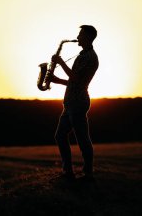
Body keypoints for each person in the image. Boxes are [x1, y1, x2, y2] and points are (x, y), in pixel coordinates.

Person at [49, 25, 99, 182]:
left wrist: (60, 61)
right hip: (70, 102)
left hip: (78, 103)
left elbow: (76, 78)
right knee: (60, 136)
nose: (77, 37)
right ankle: (68, 171)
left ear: (88, 37)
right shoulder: (82, 54)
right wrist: (56, 80)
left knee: (82, 138)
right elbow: (75, 82)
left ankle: (88, 173)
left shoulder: (90, 57)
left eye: (80, 35)